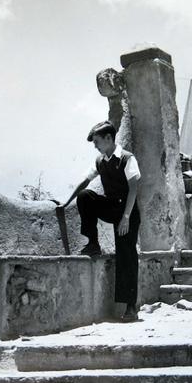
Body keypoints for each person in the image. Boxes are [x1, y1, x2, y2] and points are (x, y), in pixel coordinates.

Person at [61, 121, 141, 322]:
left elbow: (133, 189)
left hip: (128, 212)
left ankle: (131, 306)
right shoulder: (100, 161)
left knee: (126, 254)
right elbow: (85, 182)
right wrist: (66, 202)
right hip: (112, 206)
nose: (95, 146)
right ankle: (93, 243)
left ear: (108, 138)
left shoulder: (127, 158)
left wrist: (126, 218)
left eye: (97, 141)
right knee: (86, 196)